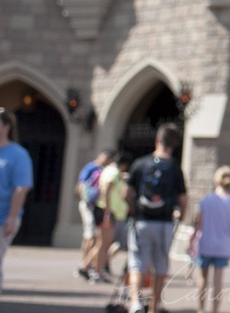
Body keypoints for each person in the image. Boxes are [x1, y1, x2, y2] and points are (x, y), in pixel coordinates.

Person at [126, 122, 188, 313]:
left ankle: (136, 302)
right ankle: (154, 306)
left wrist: (131, 209)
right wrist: (181, 217)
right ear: (174, 144)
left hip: (141, 221)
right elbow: (183, 199)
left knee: (137, 263)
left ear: (157, 140)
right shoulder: (174, 168)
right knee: (160, 266)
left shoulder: (140, 164)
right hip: (164, 224)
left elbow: (126, 192)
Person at [192, 165, 230, 313]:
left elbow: (198, 224)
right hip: (223, 246)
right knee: (218, 281)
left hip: (206, 243)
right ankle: (215, 311)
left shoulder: (206, 200)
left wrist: (191, 241)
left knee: (202, 278)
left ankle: (200, 309)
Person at [0, 107, 33, 296]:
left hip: (3, 216)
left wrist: (12, 217)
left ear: (6, 127)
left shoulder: (18, 154)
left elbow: (21, 188)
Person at [89, 150, 131, 283]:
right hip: (107, 211)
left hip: (107, 211)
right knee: (104, 244)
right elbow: (106, 190)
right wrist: (107, 212)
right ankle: (95, 271)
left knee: (102, 244)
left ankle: (89, 268)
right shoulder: (113, 172)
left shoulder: (110, 171)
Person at [75, 147, 111, 280]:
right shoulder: (91, 167)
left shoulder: (103, 170)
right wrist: (84, 200)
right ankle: (84, 262)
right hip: (88, 204)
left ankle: (88, 263)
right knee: (90, 235)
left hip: (96, 205)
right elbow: (80, 183)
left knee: (94, 235)